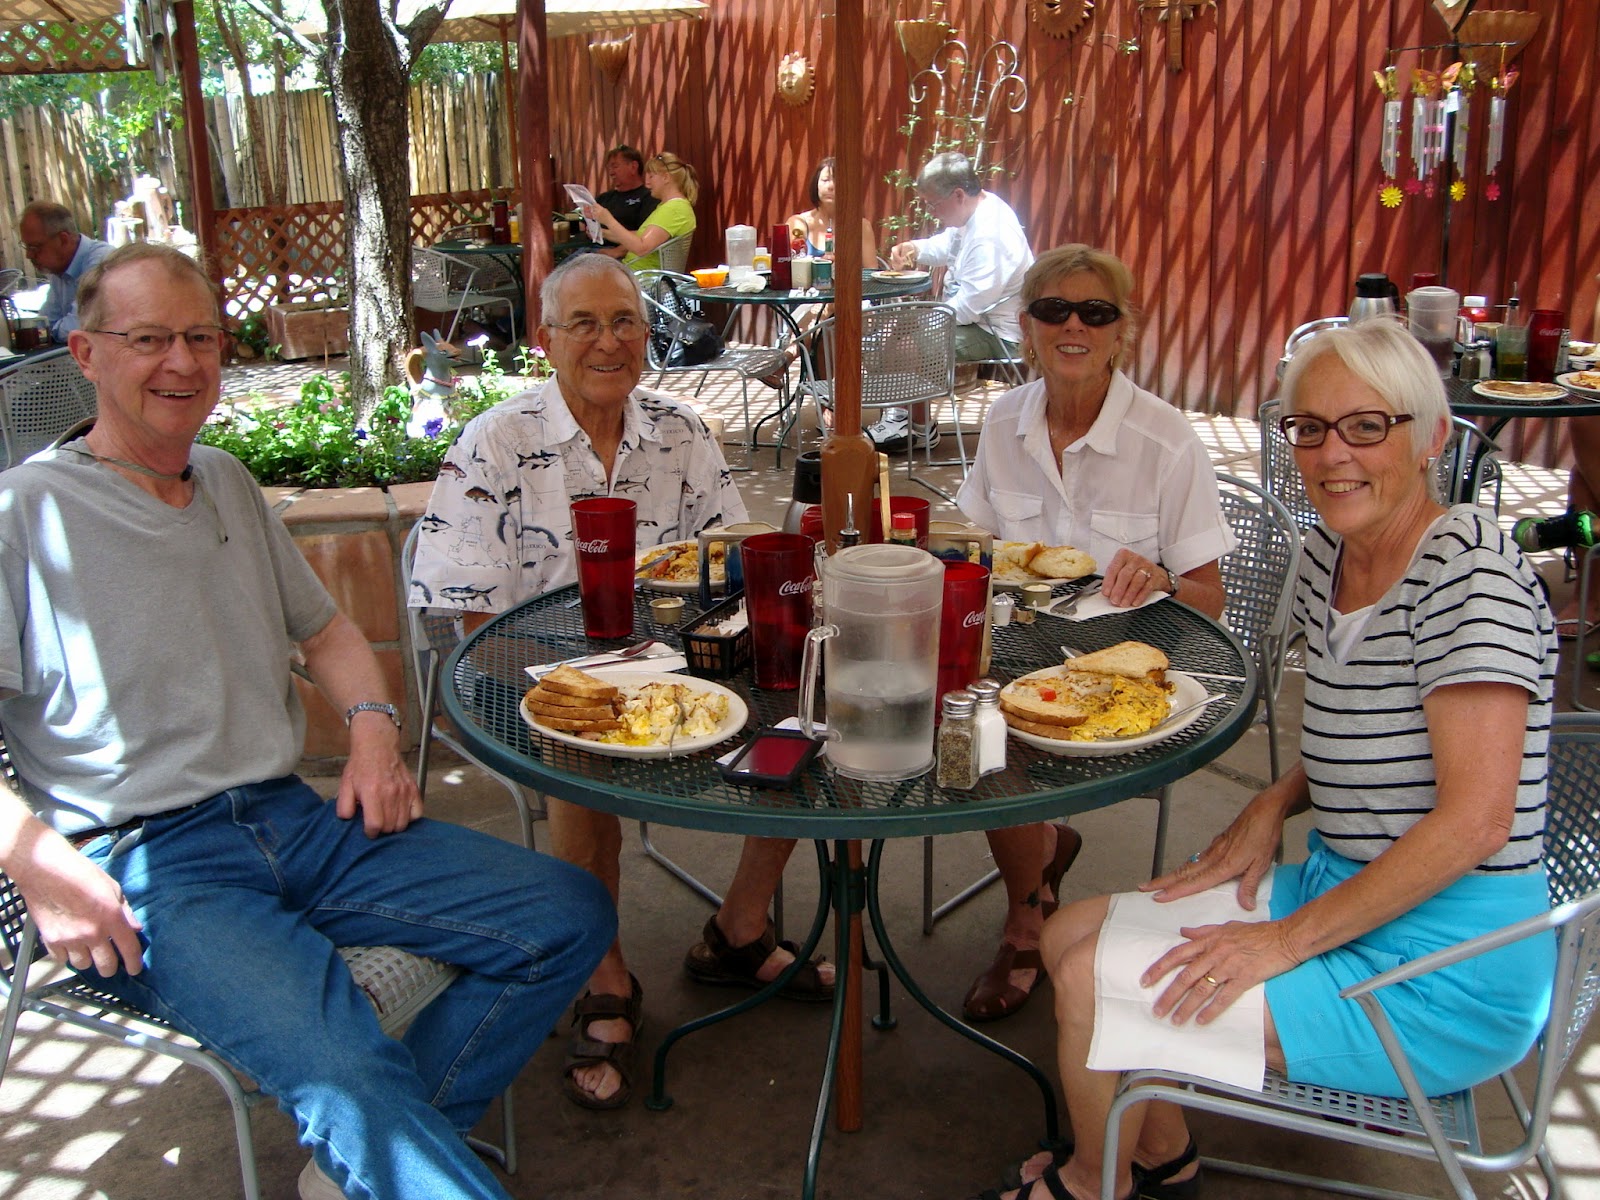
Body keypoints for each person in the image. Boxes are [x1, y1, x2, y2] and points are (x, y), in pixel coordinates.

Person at [0, 243, 615, 1200]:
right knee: (344, 1062)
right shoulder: (25, 511)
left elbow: (326, 632)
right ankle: (389, 1149)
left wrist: (372, 727)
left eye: (200, 337)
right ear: (85, 354)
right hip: (148, 870)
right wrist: (39, 865)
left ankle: (366, 1161)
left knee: (567, 913)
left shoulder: (226, 480)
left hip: (292, 819)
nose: (182, 362)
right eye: (149, 339)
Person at [971, 317, 1557, 1200]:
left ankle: (1097, 1182)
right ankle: (1162, 1155)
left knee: (1093, 980)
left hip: (1450, 964)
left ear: (1431, 436)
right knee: (1066, 930)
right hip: (1350, 885)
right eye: (1310, 428)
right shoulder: (1335, 551)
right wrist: (1274, 801)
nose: (1333, 455)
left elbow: (1476, 821)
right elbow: (1381, 735)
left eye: (1368, 425)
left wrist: (1281, 943)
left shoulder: (1470, 575)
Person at [410, 253, 834, 1112]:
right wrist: (580, 687)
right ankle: (604, 972)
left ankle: (739, 927)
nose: (609, 343)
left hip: (678, 667)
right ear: (545, 340)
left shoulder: (680, 429)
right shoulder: (497, 441)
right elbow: (466, 618)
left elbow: (726, 559)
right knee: (582, 753)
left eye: (626, 323)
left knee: (804, 721)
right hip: (536, 677)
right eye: (585, 324)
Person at [954, 244, 1233, 1026]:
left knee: (987, 740)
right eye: (1053, 310)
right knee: (955, 712)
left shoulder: (1166, 439)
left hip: (1127, 670)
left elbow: (1210, 597)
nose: (1073, 325)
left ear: (1121, 332)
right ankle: (1038, 858)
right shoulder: (1004, 420)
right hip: (1017, 651)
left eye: (1095, 312)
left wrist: (1167, 580)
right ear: (1026, 326)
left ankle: (1025, 918)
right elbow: (972, 549)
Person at [877, 151, 1034, 453]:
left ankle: (917, 427)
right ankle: (902, 417)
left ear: (959, 195)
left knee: (909, 343)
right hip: (975, 319)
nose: (932, 211)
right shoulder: (976, 211)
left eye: (934, 204)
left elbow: (968, 308)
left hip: (997, 333)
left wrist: (922, 316)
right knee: (898, 325)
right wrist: (914, 247)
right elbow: (950, 242)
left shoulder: (992, 237)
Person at [16, 199, 112, 343]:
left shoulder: (102, 261)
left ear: (63, 240)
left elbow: (79, 327)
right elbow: (45, 321)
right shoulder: (59, 268)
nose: (28, 255)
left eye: (35, 247)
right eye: (27, 247)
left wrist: (48, 331)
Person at [584, 151, 697, 274]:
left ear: (666, 177)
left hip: (643, 280)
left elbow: (641, 247)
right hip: (634, 273)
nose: (647, 182)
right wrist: (602, 233)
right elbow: (639, 236)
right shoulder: (669, 206)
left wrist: (608, 220)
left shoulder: (674, 209)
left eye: (651, 176)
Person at [786, 156, 878, 263]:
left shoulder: (861, 227)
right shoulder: (798, 223)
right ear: (816, 184)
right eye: (825, 180)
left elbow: (870, 273)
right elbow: (789, 266)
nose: (831, 186)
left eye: (837, 181)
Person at [593, 145, 658, 260]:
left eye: (615, 166)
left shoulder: (648, 197)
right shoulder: (604, 198)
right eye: (609, 168)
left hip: (622, 257)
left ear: (633, 167)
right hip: (592, 249)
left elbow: (643, 235)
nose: (611, 172)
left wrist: (616, 250)